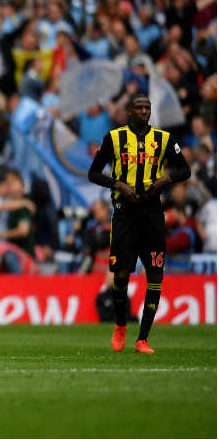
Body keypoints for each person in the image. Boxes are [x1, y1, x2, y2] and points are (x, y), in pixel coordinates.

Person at [88, 93, 191, 354]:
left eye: (147, 107)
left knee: (155, 274)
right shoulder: (114, 138)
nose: (144, 111)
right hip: (124, 213)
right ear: (129, 111)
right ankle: (121, 324)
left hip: (153, 212)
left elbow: (185, 170)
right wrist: (117, 184)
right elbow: (93, 172)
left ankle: (142, 339)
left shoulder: (164, 139)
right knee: (121, 274)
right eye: (139, 107)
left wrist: (165, 180)